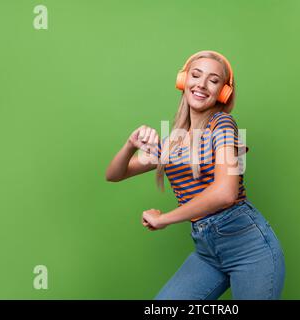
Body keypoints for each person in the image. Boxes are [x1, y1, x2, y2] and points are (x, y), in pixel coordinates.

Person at [105, 50, 285, 300]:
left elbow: (225, 193)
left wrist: (165, 218)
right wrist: (129, 144)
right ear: (183, 81)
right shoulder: (173, 143)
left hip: (248, 247)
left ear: (223, 92)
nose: (201, 84)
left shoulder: (223, 124)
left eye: (213, 80)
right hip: (208, 252)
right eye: (196, 75)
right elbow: (114, 174)